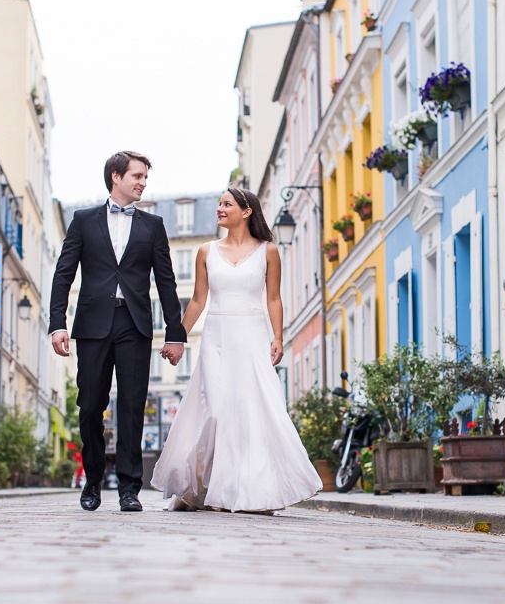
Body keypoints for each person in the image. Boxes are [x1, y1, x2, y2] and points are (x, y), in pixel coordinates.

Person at [151, 187, 322, 513]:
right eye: (219, 203)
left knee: (249, 412)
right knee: (214, 412)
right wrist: (178, 337)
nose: (219, 208)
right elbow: (199, 300)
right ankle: (203, 487)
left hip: (251, 337)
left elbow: (273, 298)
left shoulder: (268, 251)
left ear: (246, 211)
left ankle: (253, 493)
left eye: (226, 204)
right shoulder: (206, 251)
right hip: (216, 337)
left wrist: (278, 337)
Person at [48, 152, 186, 512]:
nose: (142, 182)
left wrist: (176, 333)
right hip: (92, 324)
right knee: (91, 404)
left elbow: (166, 282)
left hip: (135, 324)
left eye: (144, 178)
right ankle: (92, 480)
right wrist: (57, 323)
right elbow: (64, 274)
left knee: (131, 406)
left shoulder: (153, 225)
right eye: (137, 176)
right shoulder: (82, 221)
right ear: (116, 177)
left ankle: (129, 488)